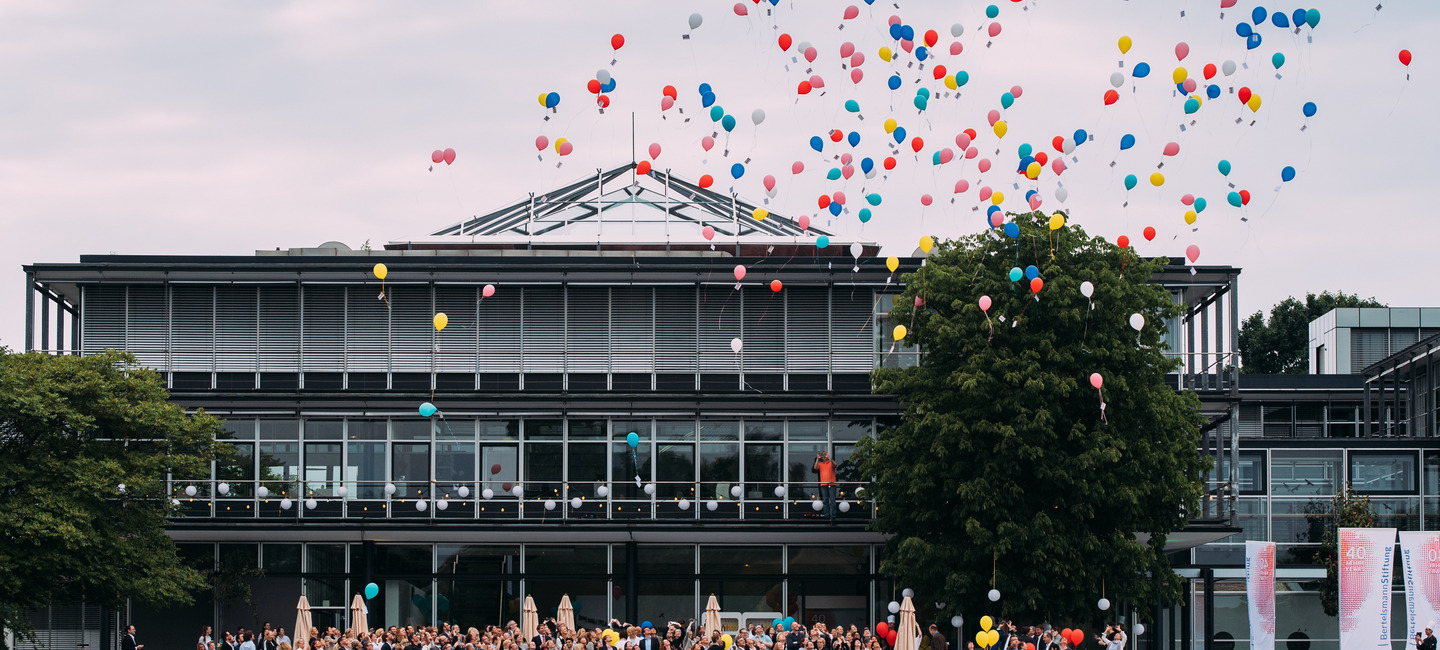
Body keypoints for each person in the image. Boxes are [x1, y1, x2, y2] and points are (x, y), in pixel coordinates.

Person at [812, 450, 838, 517]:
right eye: (822, 455)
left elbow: (835, 465)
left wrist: (829, 457)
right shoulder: (821, 464)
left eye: (824, 455)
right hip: (823, 484)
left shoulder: (830, 463)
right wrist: (817, 458)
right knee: (825, 500)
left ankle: (833, 515)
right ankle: (826, 514)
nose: (824, 457)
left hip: (831, 484)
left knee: (832, 500)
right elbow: (815, 467)